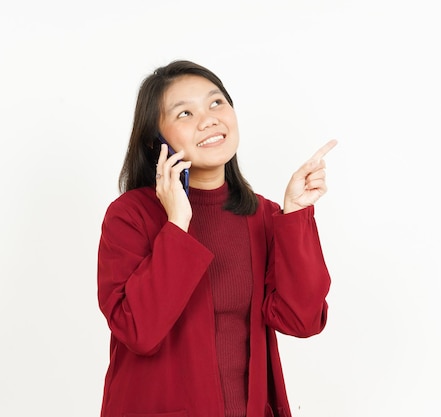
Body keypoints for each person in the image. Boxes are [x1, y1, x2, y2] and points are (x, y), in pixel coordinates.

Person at [97, 59, 337, 417]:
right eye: (184, 114)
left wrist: (294, 214)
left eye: (216, 103)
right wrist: (177, 223)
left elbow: (301, 320)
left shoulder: (263, 216)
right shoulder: (130, 216)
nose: (208, 119)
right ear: (154, 141)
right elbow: (138, 331)